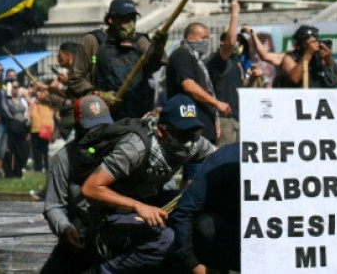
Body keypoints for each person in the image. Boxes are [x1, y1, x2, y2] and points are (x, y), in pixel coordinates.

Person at [80, 93, 215, 273]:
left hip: (151, 199)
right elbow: (90, 188)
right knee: (165, 240)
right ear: (161, 131)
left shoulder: (193, 143)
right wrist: (138, 206)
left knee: (199, 211)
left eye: (194, 133)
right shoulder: (135, 148)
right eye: (181, 135)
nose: (188, 142)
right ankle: (104, 269)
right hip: (112, 212)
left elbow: (219, 157)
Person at [41, 95, 113, 274]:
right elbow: (53, 206)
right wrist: (65, 228)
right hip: (82, 234)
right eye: (91, 129)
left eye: (103, 128)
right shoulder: (63, 158)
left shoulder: (124, 151)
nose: (97, 135)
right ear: (78, 127)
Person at [68, 0, 166, 119]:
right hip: (102, 116)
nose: (130, 24)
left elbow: (155, 65)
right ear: (111, 20)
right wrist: (100, 95)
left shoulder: (140, 41)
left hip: (137, 117)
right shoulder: (93, 41)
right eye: (125, 19)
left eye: (132, 19)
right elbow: (75, 79)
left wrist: (158, 48)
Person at [170, 142, 241, 274]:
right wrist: (193, 264)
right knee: (206, 225)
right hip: (229, 244)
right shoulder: (226, 157)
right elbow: (185, 210)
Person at [167, 22, 226, 146]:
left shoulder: (197, 60)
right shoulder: (182, 55)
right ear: (190, 38)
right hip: (191, 127)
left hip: (204, 128)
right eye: (203, 38)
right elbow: (189, 86)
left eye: (207, 38)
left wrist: (214, 119)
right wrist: (217, 103)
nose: (206, 42)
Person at [205, 0, 243, 146]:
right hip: (224, 120)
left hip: (237, 119)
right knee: (223, 158)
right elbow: (230, 42)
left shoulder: (235, 62)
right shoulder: (217, 61)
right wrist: (234, 13)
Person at [2, 80, 32, 178]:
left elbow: (30, 104)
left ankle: (18, 170)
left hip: (22, 125)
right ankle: (9, 173)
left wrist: (28, 116)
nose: (17, 89)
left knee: (23, 151)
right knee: (10, 150)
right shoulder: (6, 99)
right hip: (12, 125)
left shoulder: (19, 98)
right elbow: (6, 111)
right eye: (14, 87)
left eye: (18, 87)